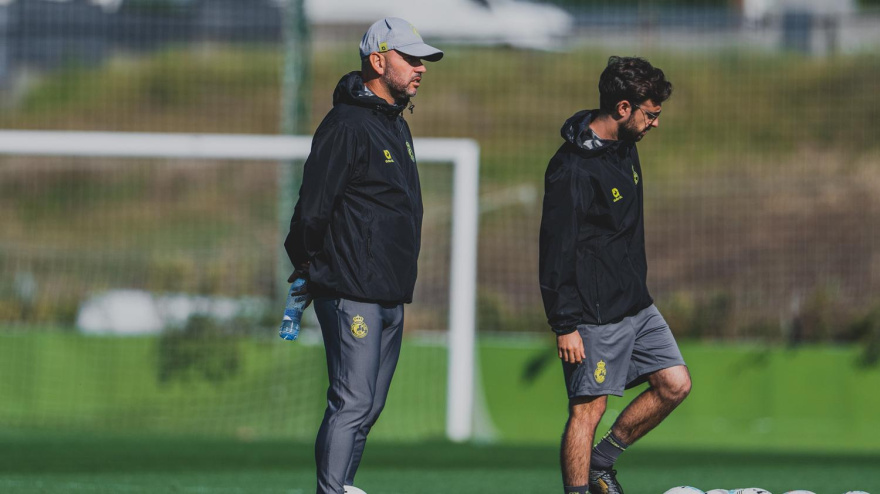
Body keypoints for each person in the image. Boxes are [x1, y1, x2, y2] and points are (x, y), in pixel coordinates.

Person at [283, 17, 442, 494]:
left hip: (390, 290)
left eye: (423, 60)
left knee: (369, 406)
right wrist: (309, 266)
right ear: (378, 60)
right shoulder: (346, 125)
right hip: (350, 288)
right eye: (410, 59)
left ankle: (344, 486)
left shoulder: (397, 126)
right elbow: (311, 209)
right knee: (352, 401)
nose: (421, 68)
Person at [538, 56, 692, 494]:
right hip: (594, 313)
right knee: (588, 411)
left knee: (675, 384)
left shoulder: (625, 144)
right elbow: (554, 251)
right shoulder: (571, 170)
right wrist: (565, 325)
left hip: (637, 305)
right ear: (623, 108)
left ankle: (601, 463)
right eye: (651, 114)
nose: (655, 123)